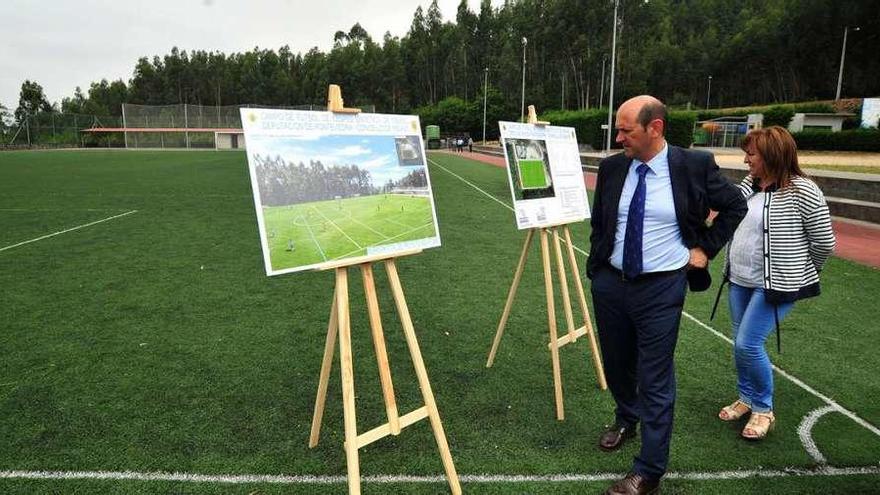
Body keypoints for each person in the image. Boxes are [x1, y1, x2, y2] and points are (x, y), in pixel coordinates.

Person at [587, 95, 747, 495]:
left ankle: (649, 471)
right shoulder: (611, 169)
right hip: (611, 283)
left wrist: (705, 248)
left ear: (654, 128)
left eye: (627, 130)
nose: (618, 136)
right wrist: (600, 269)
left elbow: (734, 206)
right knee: (617, 362)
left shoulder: (692, 165)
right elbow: (601, 221)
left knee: (655, 377)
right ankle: (626, 417)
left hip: (661, 287)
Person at [714, 126, 835, 440]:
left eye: (751, 154)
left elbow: (824, 242)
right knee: (740, 342)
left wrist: (801, 273)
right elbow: (729, 208)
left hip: (777, 284)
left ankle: (763, 408)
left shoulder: (803, 190)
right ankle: (745, 397)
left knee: (748, 344)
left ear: (771, 156)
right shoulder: (750, 184)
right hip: (739, 279)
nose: (745, 160)